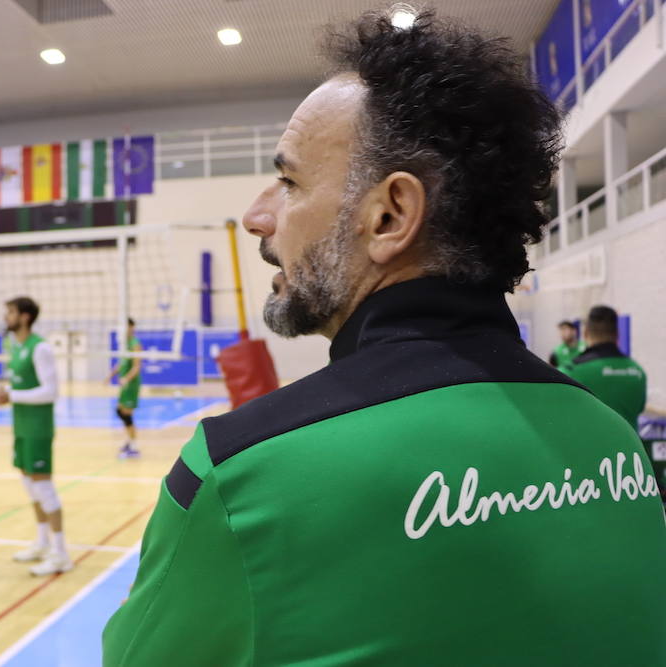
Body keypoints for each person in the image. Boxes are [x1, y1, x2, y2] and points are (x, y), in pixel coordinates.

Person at [103, 11, 665, 666]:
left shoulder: (239, 478)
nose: (258, 216)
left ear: (391, 215)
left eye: (288, 182)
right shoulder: (613, 436)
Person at [0, 296, 72, 576]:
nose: (7, 317)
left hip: (38, 429)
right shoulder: (17, 348)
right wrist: (5, 391)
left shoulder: (40, 348)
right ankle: (42, 542)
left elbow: (50, 392)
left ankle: (61, 553)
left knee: (44, 489)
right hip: (21, 426)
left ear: (25, 317)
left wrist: (11, 395)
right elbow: (21, 385)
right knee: (29, 485)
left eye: (11, 312)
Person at [563, 306, 646, 431]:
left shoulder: (570, 372)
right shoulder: (638, 372)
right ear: (617, 334)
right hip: (629, 449)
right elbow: (639, 408)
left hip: (589, 448)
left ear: (585, 334)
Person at [106, 318, 142, 458]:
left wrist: (126, 378)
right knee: (120, 412)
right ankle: (129, 441)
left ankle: (134, 447)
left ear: (131, 327)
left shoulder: (135, 344)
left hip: (131, 384)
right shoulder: (125, 344)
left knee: (126, 414)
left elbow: (137, 366)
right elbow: (121, 364)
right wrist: (110, 375)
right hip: (125, 384)